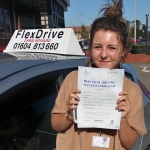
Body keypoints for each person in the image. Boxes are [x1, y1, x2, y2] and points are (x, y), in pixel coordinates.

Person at [51, 0, 147, 149]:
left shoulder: (132, 91)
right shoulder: (73, 79)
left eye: (111, 48)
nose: (103, 54)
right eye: (97, 47)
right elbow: (56, 125)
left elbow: (129, 143)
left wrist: (122, 120)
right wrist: (70, 113)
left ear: (123, 51)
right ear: (90, 48)